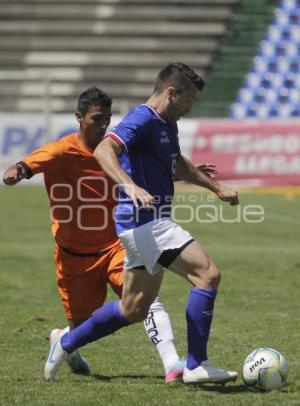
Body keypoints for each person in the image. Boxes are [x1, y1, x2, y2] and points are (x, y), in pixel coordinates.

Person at [3, 86, 216, 383]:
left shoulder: (114, 150)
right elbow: (26, 164)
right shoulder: (61, 150)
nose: (103, 126)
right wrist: (16, 171)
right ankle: (66, 343)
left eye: (107, 119)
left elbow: (146, 170)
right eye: (96, 119)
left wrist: (183, 174)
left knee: (146, 300)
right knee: (81, 325)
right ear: (79, 117)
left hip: (116, 246)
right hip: (73, 256)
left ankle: (172, 363)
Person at [42, 63, 239, 384]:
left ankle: (64, 343)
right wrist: (129, 185)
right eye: (189, 99)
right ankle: (196, 364)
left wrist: (216, 188)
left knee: (134, 308)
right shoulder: (143, 118)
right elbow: (106, 149)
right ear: (172, 93)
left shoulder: (166, 123)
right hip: (146, 221)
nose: (191, 107)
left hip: (141, 224)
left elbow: (179, 165)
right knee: (207, 275)